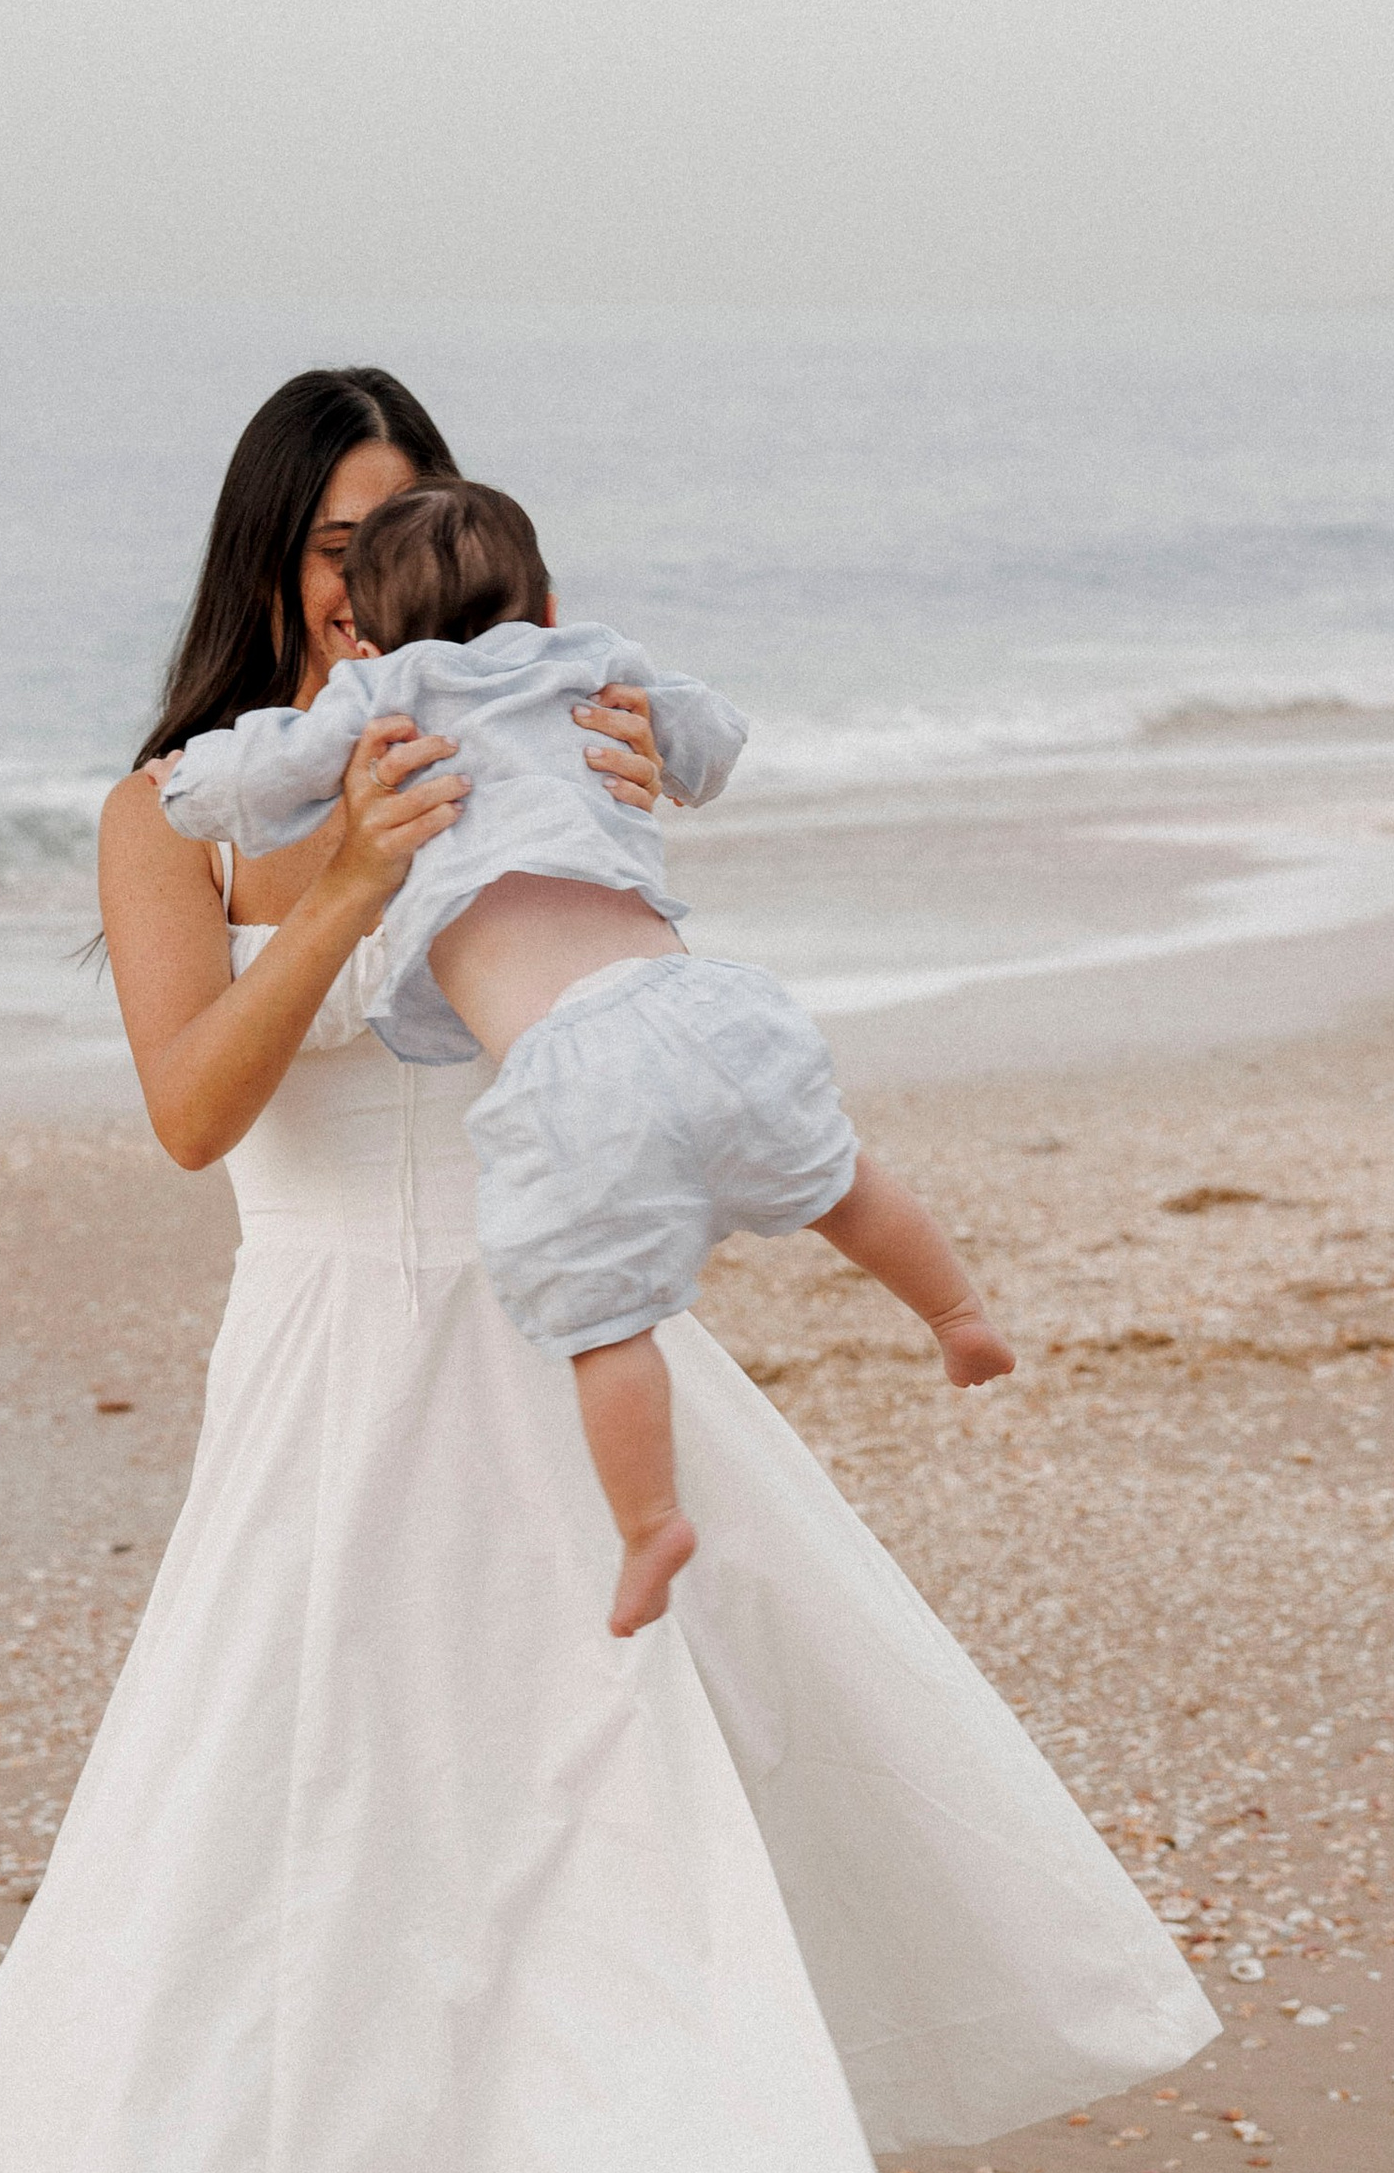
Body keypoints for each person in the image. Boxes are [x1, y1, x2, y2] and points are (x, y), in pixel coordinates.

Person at [0, 364, 1217, 2173]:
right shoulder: (176, 810)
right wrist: (343, 884)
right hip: (317, 1375)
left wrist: (612, 784)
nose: (368, 579)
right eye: (333, 543)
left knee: (581, 1837)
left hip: (544, 1345)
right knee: (258, 1860)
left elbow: (625, 981)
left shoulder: (526, 727)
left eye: (401, 531)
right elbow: (192, 1111)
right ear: (269, 562)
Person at [158, 476, 1013, 1633]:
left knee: (607, 1316)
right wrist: (666, 750)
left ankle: (648, 1520)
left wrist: (185, 783)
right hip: (701, 1001)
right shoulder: (592, 662)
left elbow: (257, 775)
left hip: (568, 1068)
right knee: (839, 1181)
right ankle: (957, 1316)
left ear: (366, 631)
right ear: (547, 602)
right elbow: (713, 740)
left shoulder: (385, 694)